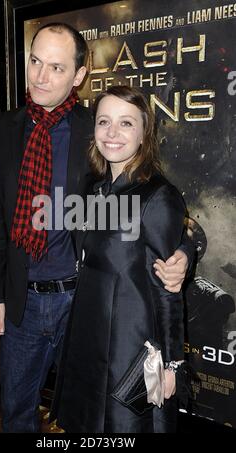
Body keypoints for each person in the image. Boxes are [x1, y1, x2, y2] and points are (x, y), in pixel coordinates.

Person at [0, 23, 192, 433]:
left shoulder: (94, 130)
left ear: (78, 76)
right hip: (20, 301)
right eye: (36, 62)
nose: (41, 77)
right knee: (16, 413)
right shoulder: (3, 130)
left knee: (87, 416)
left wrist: (184, 250)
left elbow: (159, 209)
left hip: (81, 306)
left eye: (56, 68)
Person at [51, 85, 186, 433]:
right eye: (103, 122)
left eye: (126, 123)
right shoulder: (94, 189)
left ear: (144, 134)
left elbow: (168, 287)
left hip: (130, 343)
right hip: (86, 333)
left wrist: (171, 364)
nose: (112, 133)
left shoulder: (158, 195)